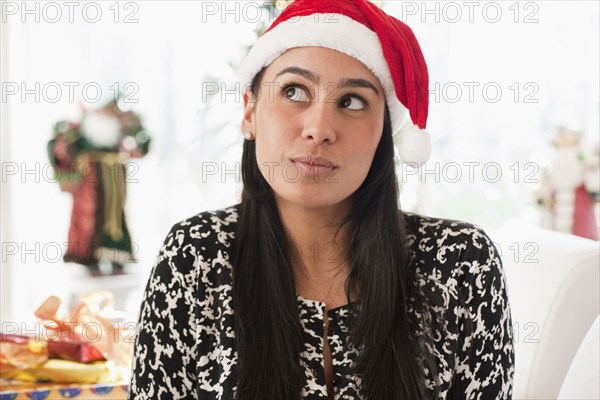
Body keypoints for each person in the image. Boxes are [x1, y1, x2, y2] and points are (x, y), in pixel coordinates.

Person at [127, 0, 515, 399]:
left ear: (384, 131)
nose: (319, 128)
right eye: (294, 91)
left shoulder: (462, 264)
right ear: (249, 111)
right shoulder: (194, 255)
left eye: (351, 101)